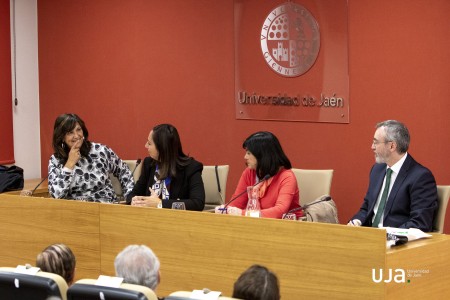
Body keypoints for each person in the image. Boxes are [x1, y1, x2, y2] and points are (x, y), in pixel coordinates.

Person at [348, 120, 438, 231]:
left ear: (391, 146)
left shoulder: (421, 177)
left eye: (376, 142)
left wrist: (387, 235)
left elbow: (420, 223)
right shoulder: (377, 170)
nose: (372, 147)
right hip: (370, 237)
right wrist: (358, 221)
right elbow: (367, 207)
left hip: (397, 243)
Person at [48, 113, 134, 203]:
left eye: (78, 130)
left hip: (106, 207)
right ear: (61, 137)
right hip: (75, 211)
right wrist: (69, 164)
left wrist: (130, 198)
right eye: (70, 133)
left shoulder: (100, 151)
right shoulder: (56, 160)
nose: (76, 136)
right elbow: (56, 196)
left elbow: (124, 172)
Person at [217, 131, 301, 218]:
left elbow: (280, 211)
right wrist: (225, 209)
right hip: (257, 224)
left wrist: (243, 213)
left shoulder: (287, 177)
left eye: (249, 153)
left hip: (285, 226)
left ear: (263, 155)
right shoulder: (249, 173)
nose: (245, 157)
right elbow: (236, 204)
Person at [127, 124, 205, 210]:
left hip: (176, 220)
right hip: (148, 219)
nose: (146, 146)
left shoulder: (191, 168)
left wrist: (160, 203)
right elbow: (132, 194)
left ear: (162, 147)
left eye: (149, 143)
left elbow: (197, 203)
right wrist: (134, 200)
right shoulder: (149, 164)